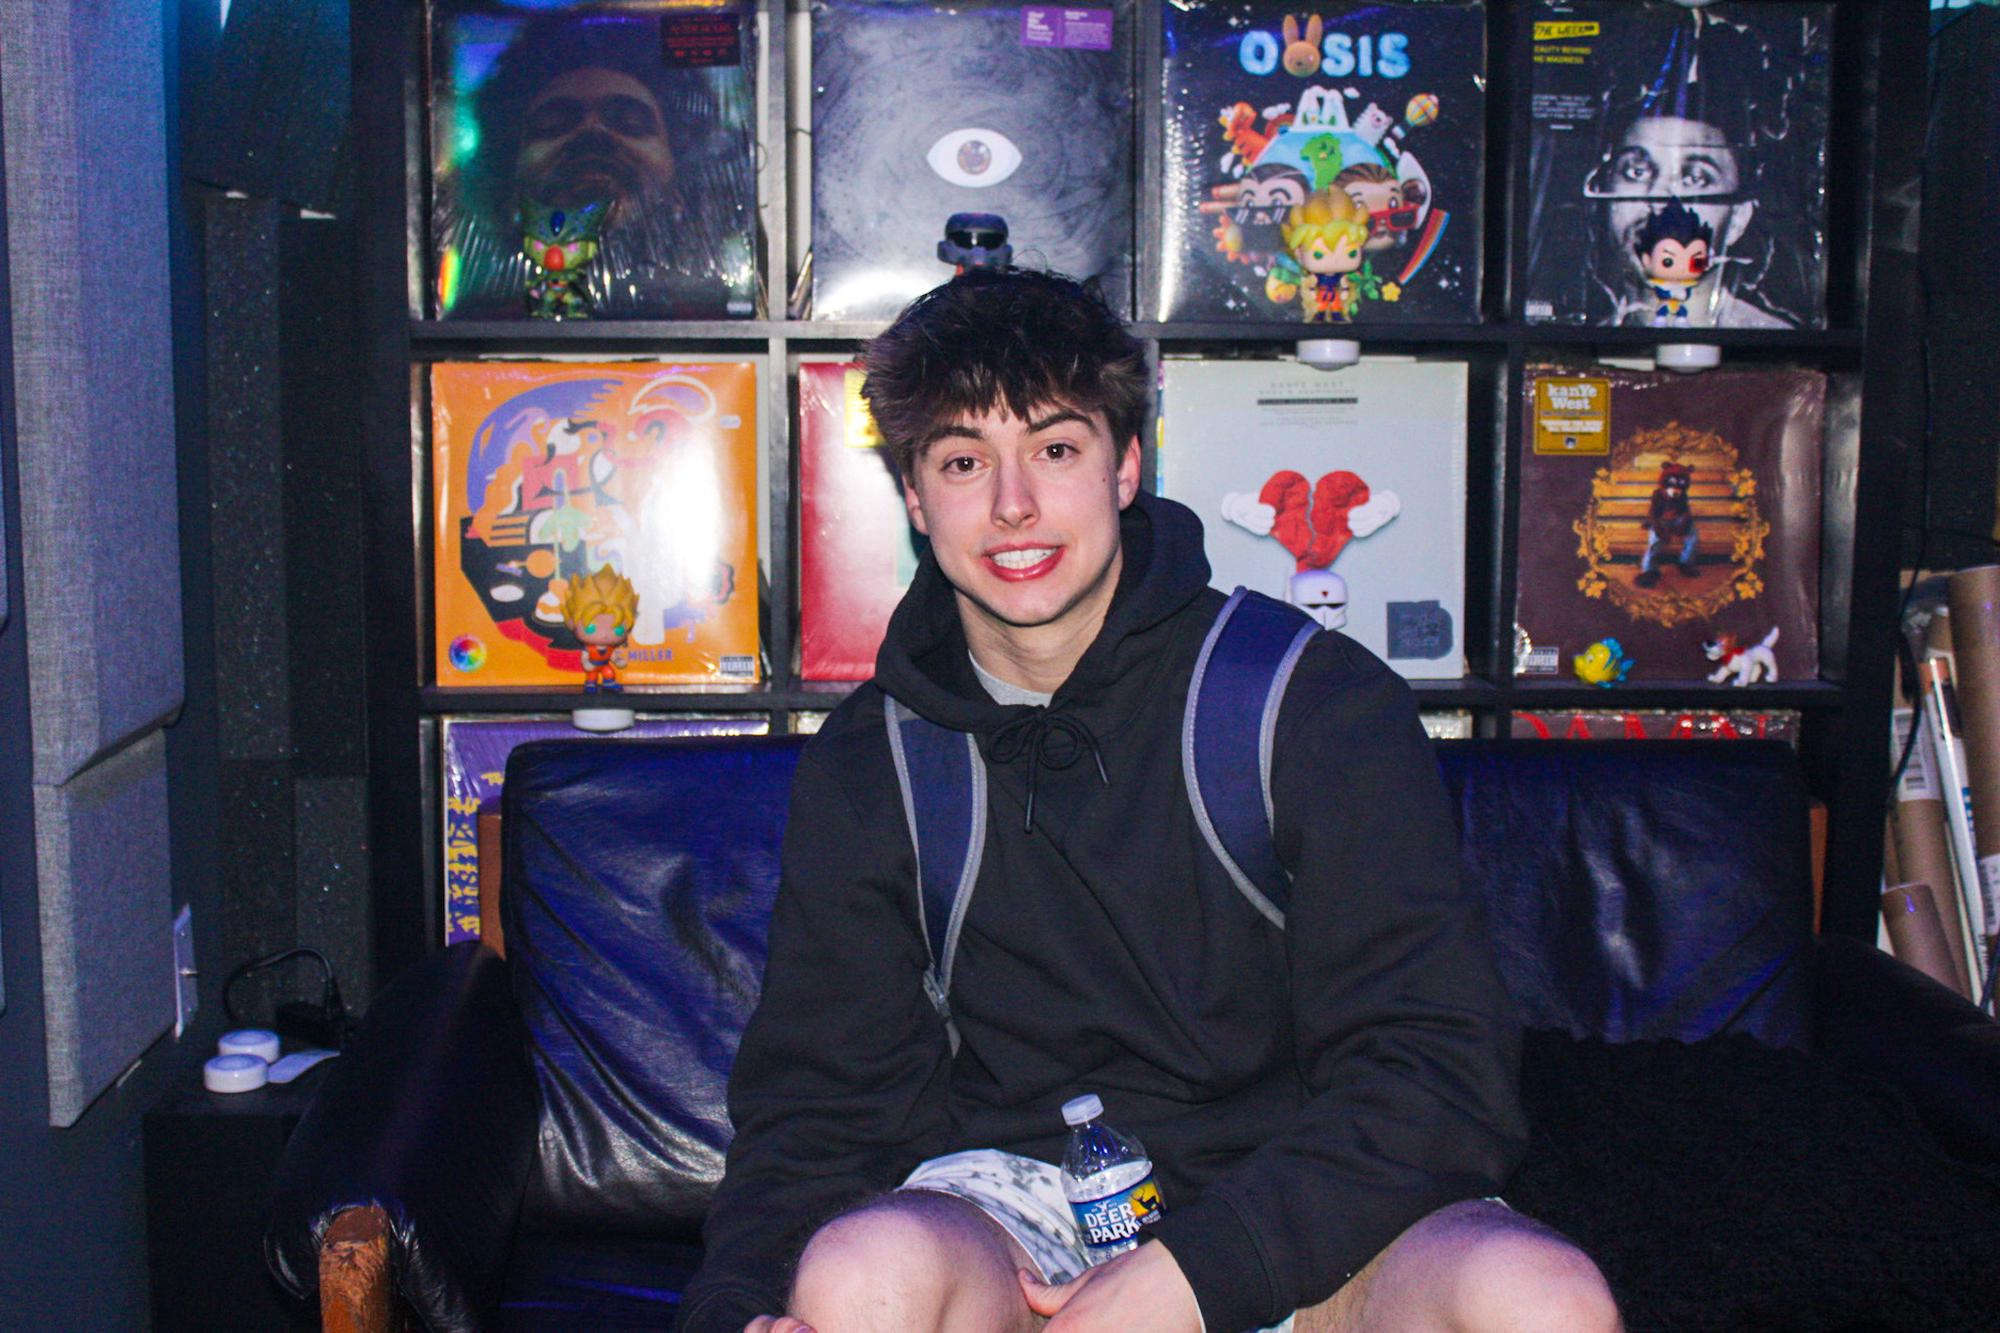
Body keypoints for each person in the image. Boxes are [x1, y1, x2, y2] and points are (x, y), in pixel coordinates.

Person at [678, 269, 1622, 1333]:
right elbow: (815, 1110)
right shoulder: (875, 761)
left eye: (1055, 449)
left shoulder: (1309, 701)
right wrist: (734, 1313)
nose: (1012, 504)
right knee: (862, 1276)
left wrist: (1190, 1277)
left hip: (1304, 1199)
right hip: (1017, 1219)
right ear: (913, 496)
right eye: (962, 461)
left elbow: (1439, 1070)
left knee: (1542, 1303)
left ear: (1124, 465)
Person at [430, 13, 756, 319]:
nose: (593, 132)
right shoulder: (476, 331)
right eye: (555, 123)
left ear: (682, 172)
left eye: (629, 121)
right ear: (507, 178)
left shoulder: (721, 323)